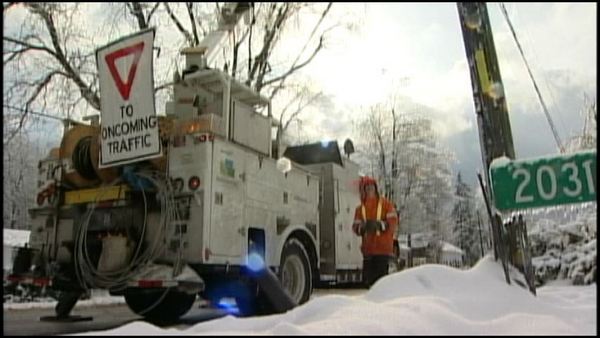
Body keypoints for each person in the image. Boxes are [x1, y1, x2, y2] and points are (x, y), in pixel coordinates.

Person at [352, 176, 399, 288]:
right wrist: (362, 228)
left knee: (381, 283)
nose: (369, 190)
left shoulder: (386, 205)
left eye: (371, 187)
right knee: (368, 283)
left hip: (382, 250)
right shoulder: (360, 209)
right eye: (367, 188)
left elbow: (393, 222)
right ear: (363, 190)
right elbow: (355, 226)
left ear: (376, 189)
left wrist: (379, 225)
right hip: (368, 250)